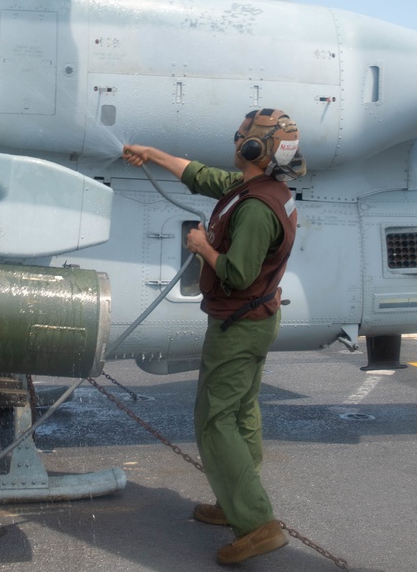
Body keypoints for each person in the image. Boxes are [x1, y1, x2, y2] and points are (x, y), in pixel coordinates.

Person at [122, 108, 305, 565]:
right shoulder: (259, 189)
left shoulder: (256, 209)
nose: (236, 139)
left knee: (214, 420)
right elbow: (203, 177)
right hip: (254, 320)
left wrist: (203, 248)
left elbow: (239, 273)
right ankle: (234, 501)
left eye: (242, 136)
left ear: (252, 149)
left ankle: (257, 524)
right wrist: (154, 155)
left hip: (238, 323)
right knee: (241, 410)